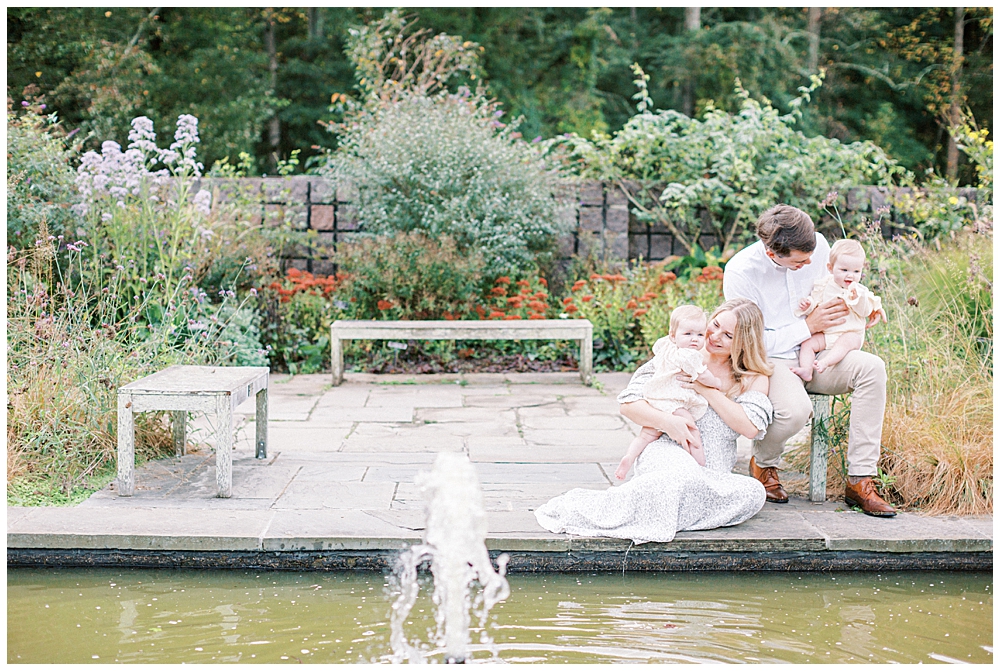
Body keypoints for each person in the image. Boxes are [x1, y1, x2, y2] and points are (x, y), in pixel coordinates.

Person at [534, 299, 773, 544]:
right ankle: (657, 509)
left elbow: (749, 427)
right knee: (680, 477)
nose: (714, 336)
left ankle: (659, 511)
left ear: (744, 342)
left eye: (728, 335)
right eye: (715, 325)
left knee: (753, 493)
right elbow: (629, 404)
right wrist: (669, 423)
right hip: (668, 453)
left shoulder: (753, 377)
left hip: (714, 474)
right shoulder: (678, 355)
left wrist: (706, 389)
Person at [722, 204, 896, 517]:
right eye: (801, 262)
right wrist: (807, 326)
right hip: (774, 360)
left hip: (822, 353)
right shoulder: (741, 272)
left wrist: (865, 308)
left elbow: (842, 290)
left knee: (873, 368)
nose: (810, 264)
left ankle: (860, 480)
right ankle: (763, 464)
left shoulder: (817, 247)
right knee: (796, 411)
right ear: (774, 254)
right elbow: (748, 341)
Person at [614, 305, 721, 479]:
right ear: (673, 335)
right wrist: (716, 382)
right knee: (691, 430)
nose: (695, 339)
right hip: (674, 401)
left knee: (647, 434)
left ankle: (629, 457)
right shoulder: (689, 355)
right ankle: (702, 468)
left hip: (656, 399)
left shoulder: (666, 346)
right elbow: (703, 375)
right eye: (688, 334)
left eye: (700, 335)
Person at [790, 239, 886, 382]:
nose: (850, 275)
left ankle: (826, 362)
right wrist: (808, 305)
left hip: (849, 334)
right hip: (827, 335)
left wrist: (857, 299)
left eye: (856, 271)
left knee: (848, 340)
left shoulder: (860, 291)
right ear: (830, 268)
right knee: (807, 343)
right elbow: (815, 302)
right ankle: (806, 369)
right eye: (844, 270)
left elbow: (866, 310)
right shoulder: (824, 285)